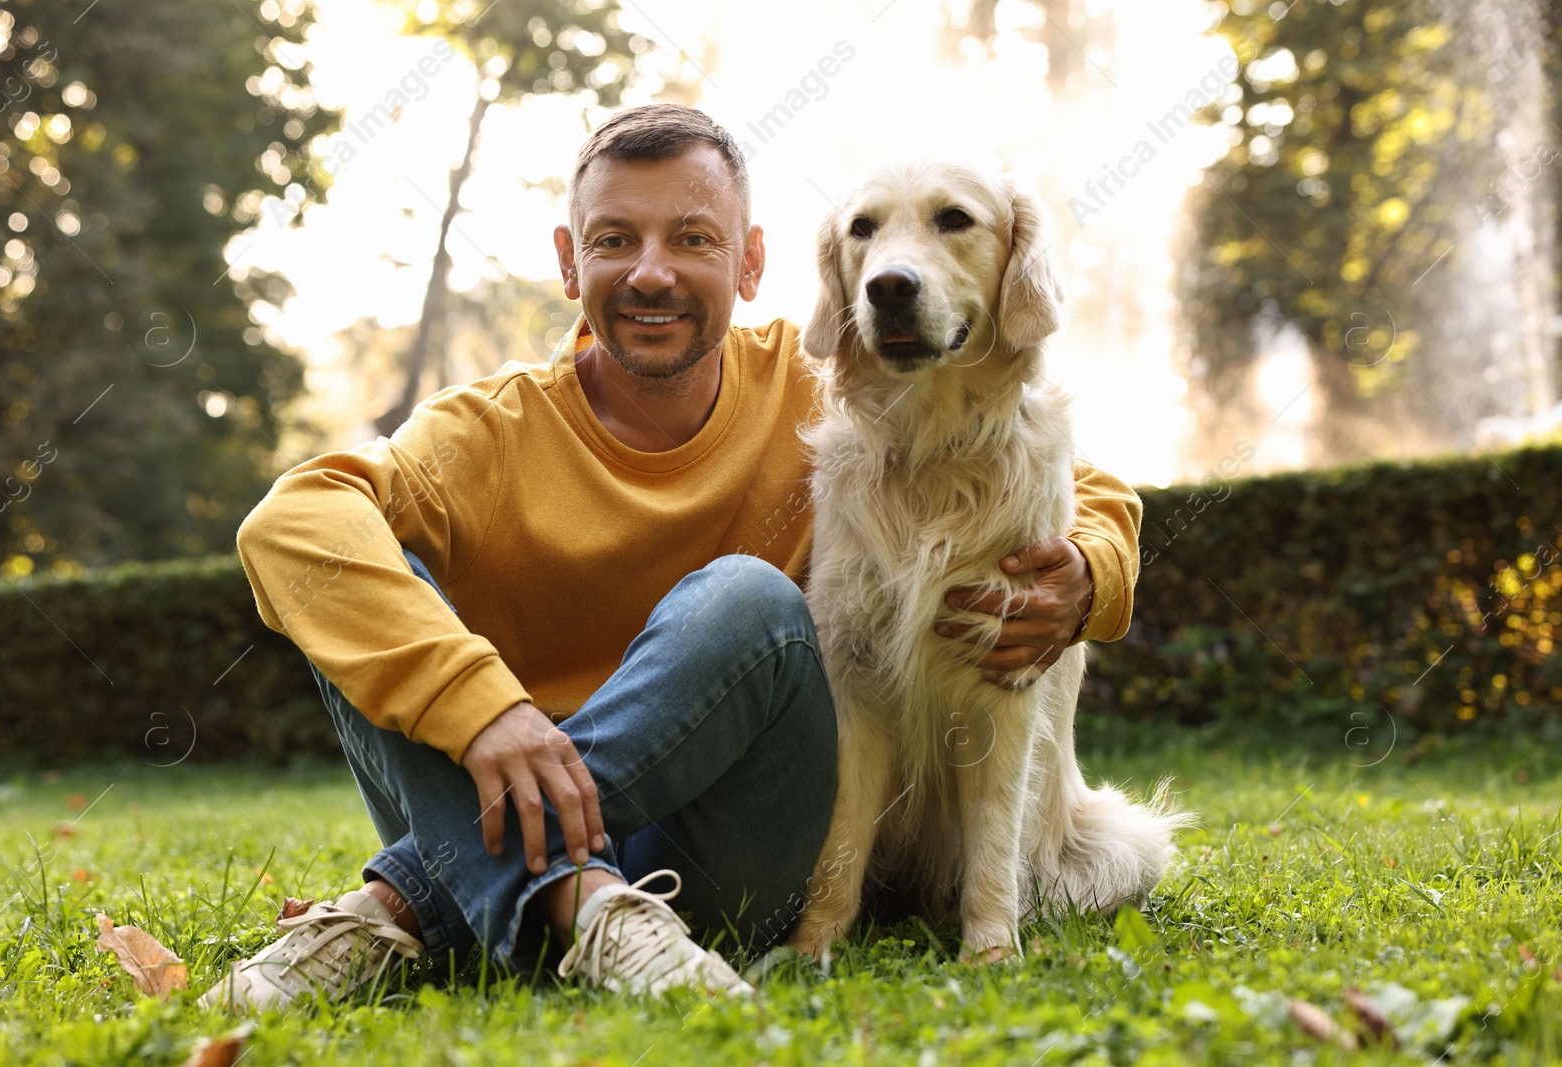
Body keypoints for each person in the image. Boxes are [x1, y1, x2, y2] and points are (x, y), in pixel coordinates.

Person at [201, 103, 1142, 1011]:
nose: (652, 273)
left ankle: (404, 901)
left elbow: (1057, 471)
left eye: (692, 239)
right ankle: (593, 910)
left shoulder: (832, 388)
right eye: (615, 240)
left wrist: (1090, 570)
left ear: (751, 261)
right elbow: (292, 523)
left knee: (752, 604)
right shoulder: (489, 431)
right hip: (512, 799)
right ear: (570, 264)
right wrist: (481, 709)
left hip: (721, 848)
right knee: (357, 584)